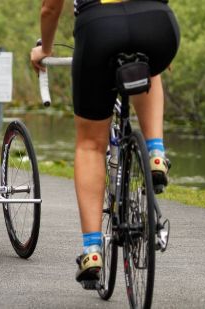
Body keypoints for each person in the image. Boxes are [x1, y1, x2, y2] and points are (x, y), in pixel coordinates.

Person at [30, 0, 179, 285]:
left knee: (90, 144)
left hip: (99, 27)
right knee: (149, 67)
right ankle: (156, 153)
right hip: (157, 21)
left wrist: (45, 50)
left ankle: (92, 251)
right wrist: (158, 40)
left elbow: (50, 8)